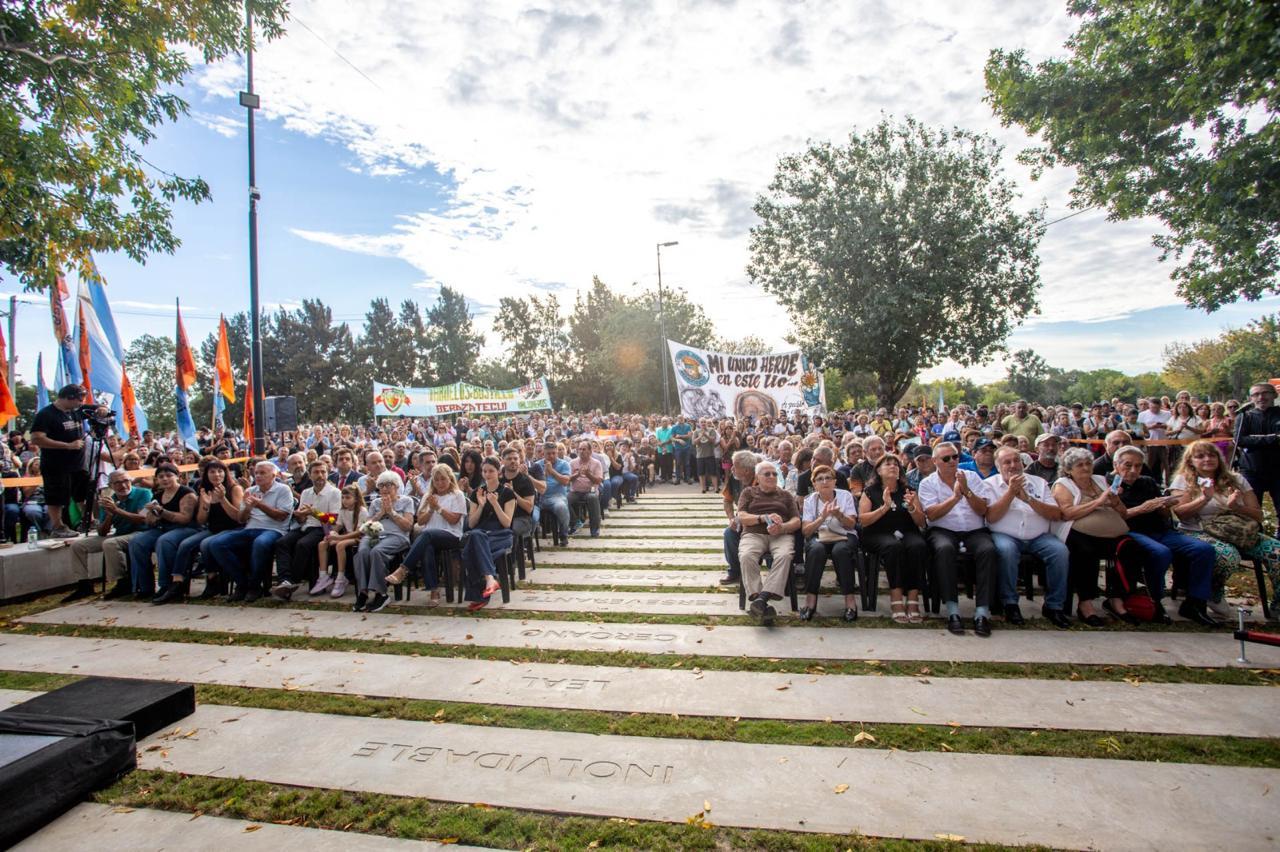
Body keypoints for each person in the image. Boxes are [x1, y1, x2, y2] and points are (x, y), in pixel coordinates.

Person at [1169, 439, 1280, 617]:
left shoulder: (1237, 479)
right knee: (1229, 556)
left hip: (1239, 531)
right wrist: (1203, 498)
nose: (1207, 459)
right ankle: (1214, 592)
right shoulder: (1184, 481)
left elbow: (1259, 515)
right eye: (1200, 456)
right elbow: (1181, 514)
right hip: (1198, 531)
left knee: (1277, 552)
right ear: (1191, 461)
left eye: (1212, 455)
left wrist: (1237, 507)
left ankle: (1278, 604)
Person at [1112, 445, 1218, 627]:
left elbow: (1165, 515)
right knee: (1161, 553)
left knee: (1204, 550)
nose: (1133, 470)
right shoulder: (1110, 484)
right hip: (1132, 532)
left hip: (1161, 530)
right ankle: (1156, 599)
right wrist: (1141, 509)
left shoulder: (1147, 481)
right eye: (1127, 465)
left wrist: (1164, 507)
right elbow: (1113, 518)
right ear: (1116, 464)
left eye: (1138, 466)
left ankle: (1195, 603)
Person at [984, 447, 1071, 628]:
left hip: (1038, 536)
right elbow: (991, 517)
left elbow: (1056, 514)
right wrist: (1010, 493)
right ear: (998, 466)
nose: (1013, 465)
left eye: (1016, 460)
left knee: (1060, 551)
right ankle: (1010, 604)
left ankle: (1054, 606)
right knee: (1006, 551)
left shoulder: (1039, 483)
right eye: (1007, 462)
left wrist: (1028, 499)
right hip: (1005, 534)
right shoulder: (989, 485)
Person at [918, 442, 997, 636]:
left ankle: (982, 612)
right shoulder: (927, 483)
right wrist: (954, 498)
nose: (952, 461)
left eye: (955, 457)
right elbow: (932, 515)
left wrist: (967, 491)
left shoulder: (971, 477)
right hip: (943, 530)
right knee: (944, 550)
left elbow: (983, 510)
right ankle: (953, 611)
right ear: (935, 461)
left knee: (988, 550)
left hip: (974, 531)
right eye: (946, 458)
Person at [1051, 447, 1132, 626]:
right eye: (1080, 465)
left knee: (1130, 549)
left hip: (1112, 533)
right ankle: (1085, 603)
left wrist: (1115, 502)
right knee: (1086, 551)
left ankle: (1116, 599)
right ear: (1068, 469)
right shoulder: (1063, 484)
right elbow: (1067, 513)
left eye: (1088, 463)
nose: (1086, 468)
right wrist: (1099, 502)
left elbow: (1123, 513)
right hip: (1078, 533)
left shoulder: (1101, 480)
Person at [204, 460, 295, 603]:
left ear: (273, 475)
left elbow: (281, 516)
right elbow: (240, 520)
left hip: (274, 529)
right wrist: (247, 508)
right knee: (216, 544)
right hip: (250, 529)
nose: (258, 476)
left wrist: (259, 504)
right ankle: (243, 582)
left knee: (260, 543)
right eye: (256, 473)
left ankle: (254, 586)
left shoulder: (283, 489)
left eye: (262, 473)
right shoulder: (251, 491)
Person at [858, 454, 927, 623]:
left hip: (906, 531)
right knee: (893, 547)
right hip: (877, 533)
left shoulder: (908, 490)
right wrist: (884, 508)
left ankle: (912, 599)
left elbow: (921, 522)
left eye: (896, 464)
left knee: (918, 545)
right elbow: (863, 520)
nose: (893, 466)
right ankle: (896, 600)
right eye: (888, 464)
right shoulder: (870, 491)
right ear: (879, 471)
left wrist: (912, 508)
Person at [65, 470, 152, 602]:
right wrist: (109, 515)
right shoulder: (110, 500)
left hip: (140, 533)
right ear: (111, 486)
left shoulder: (144, 493)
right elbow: (102, 532)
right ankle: (84, 584)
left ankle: (122, 582)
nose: (123, 486)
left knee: (110, 544)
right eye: (117, 483)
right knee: (78, 546)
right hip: (120, 534)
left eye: (126, 481)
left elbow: (143, 518)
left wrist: (117, 510)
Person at [736, 460, 801, 625]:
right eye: (767, 474)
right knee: (746, 555)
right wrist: (762, 518)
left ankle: (760, 600)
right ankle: (760, 600)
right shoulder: (748, 492)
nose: (772, 476)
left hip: (780, 535)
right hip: (754, 533)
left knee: (785, 555)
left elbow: (796, 520)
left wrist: (783, 527)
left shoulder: (785, 495)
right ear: (758, 477)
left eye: (774, 474)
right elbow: (741, 516)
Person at [391, 464, 465, 606]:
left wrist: (438, 508)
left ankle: (403, 569)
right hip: (430, 536)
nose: (440, 483)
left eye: (443, 479)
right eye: (436, 480)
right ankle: (434, 590)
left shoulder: (457, 495)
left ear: (450, 479)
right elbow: (421, 521)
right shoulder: (428, 496)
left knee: (426, 535)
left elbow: (454, 520)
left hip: (451, 535)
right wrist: (431, 509)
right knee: (426, 546)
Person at [269, 460, 342, 601]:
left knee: (303, 544)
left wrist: (313, 512)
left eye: (323, 472)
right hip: (305, 526)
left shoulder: (334, 493)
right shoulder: (306, 493)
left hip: (322, 528)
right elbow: (302, 518)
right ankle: (284, 579)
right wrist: (300, 515)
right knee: (282, 542)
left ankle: (291, 581)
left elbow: (334, 519)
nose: (320, 475)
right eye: (316, 472)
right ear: (310, 475)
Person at [28, 384, 95, 538]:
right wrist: (67, 446)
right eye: (78, 399)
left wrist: (101, 409)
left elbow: (94, 407)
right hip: (56, 464)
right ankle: (58, 526)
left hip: (77, 463)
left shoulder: (76, 411)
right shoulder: (47, 414)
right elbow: (37, 438)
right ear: (68, 398)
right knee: (56, 496)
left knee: (83, 493)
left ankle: (89, 520)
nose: (80, 403)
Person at [126, 462, 197, 599]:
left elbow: (185, 519)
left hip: (186, 529)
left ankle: (167, 585)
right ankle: (144, 586)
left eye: (168, 475)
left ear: (177, 476)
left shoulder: (187, 493)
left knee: (164, 541)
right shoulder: (157, 495)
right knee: (137, 542)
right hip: (163, 528)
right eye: (161, 476)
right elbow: (146, 519)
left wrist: (162, 512)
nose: (164, 479)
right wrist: (150, 517)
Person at [798, 465, 859, 622]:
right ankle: (810, 600)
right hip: (819, 535)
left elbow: (852, 524)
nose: (824, 481)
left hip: (844, 534)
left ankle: (850, 601)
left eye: (828, 478)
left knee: (841, 551)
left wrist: (839, 515)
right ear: (814, 485)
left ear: (834, 481)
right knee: (816, 549)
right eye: (820, 479)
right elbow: (806, 531)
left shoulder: (845, 495)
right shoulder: (810, 500)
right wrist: (822, 517)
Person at [352, 470, 414, 613]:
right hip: (375, 534)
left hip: (397, 536)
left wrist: (391, 512)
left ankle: (381, 593)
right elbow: (365, 527)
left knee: (377, 551)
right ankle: (363, 592)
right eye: (381, 485)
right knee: (362, 552)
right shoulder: (375, 503)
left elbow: (408, 526)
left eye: (388, 485)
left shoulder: (406, 501)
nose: (384, 489)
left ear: (396, 486)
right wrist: (381, 513)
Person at [462, 457, 515, 611]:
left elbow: (507, 523)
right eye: (484, 471)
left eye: (491, 471)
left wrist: (494, 503)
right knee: (476, 535)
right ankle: (490, 579)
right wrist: (481, 505)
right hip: (480, 534)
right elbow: (471, 524)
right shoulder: (477, 493)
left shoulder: (507, 493)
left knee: (470, 549)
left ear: (498, 472)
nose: (487, 474)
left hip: (500, 535)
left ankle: (479, 596)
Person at [1233, 382, 1280, 534]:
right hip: (1251, 469)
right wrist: (1273, 438)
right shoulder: (1244, 416)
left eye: (1265, 393)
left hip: (1278, 469)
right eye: (1256, 394)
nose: (1261, 397)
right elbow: (1240, 440)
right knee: (1252, 510)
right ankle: (1257, 542)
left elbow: (1248, 440)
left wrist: (1254, 439)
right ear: (1251, 397)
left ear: (1274, 395)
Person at [312, 484, 366, 599]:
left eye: (348, 498)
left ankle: (341, 578)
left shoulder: (362, 511)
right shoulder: (343, 510)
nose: (344, 501)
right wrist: (331, 534)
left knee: (340, 545)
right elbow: (338, 525)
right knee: (322, 544)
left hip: (358, 537)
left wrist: (339, 538)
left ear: (356, 499)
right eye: (343, 498)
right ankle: (323, 576)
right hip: (346, 536)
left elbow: (359, 532)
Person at [718, 450, 758, 586]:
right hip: (741, 519)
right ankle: (735, 571)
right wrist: (731, 518)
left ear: (746, 470)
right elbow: (727, 500)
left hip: (759, 523)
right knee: (729, 533)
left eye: (735, 466)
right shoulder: (734, 481)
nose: (732, 468)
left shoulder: (761, 480)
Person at [537, 442, 573, 546]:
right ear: (543, 454)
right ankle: (526, 541)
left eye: (554, 453)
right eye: (548, 454)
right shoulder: (537, 465)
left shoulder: (564, 464)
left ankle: (563, 535)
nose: (551, 456)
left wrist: (552, 471)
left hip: (557, 496)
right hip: (540, 497)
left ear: (557, 453)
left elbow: (566, 481)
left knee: (561, 507)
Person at [568, 440, 603, 537]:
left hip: (590, 491)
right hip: (575, 491)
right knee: (564, 500)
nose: (581, 451)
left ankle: (595, 529)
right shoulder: (572, 463)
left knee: (592, 498)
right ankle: (575, 523)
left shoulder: (596, 463)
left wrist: (588, 474)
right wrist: (577, 474)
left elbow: (598, 481)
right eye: (579, 449)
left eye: (584, 449)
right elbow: (567, 479)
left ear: (590, 451)